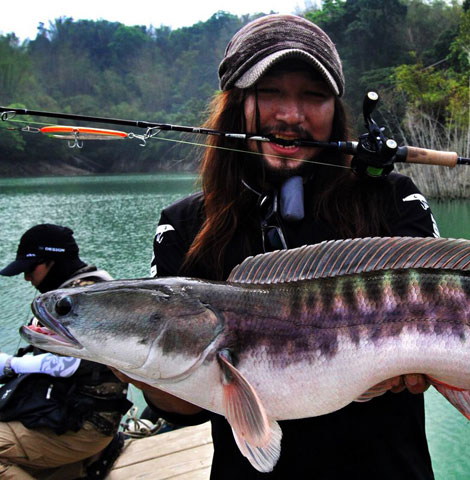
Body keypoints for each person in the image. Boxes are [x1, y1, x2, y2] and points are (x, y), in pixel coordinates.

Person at [131, 14, 440, 479]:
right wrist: (131, 362)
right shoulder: (184, 225)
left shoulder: (392, 199)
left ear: (336, 109)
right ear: (236, 104)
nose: (291, 115)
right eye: (270, 92)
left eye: (313, 96)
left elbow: (446, 316)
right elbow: (181, 408)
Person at [0, 224, 131, 480]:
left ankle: (86, 459)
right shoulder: (77, 290)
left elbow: (73, 364)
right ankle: (78, 468)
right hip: (63, 415)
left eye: (30, 269)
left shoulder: (85, 299)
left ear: (53, 262)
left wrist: (11, 365)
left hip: (82, 425)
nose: (27, 278)